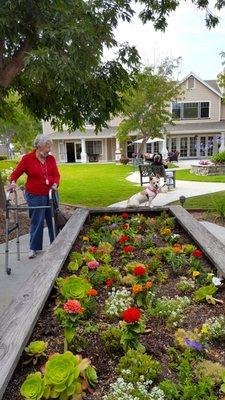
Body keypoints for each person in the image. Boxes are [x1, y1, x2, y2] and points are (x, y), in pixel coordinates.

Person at [9, 134, 60, 259]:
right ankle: (34, 248)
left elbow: (56, 175)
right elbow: (15, 174)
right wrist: (13, 182)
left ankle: (57, 245)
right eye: (46, 147)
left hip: (50, 194)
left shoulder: (50, 159)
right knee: (37, 222)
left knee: (53, 221)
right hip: (35, 196)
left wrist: (55, 184)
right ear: (38, 146)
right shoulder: (28, 159)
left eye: (49, 147)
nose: (48, 150)